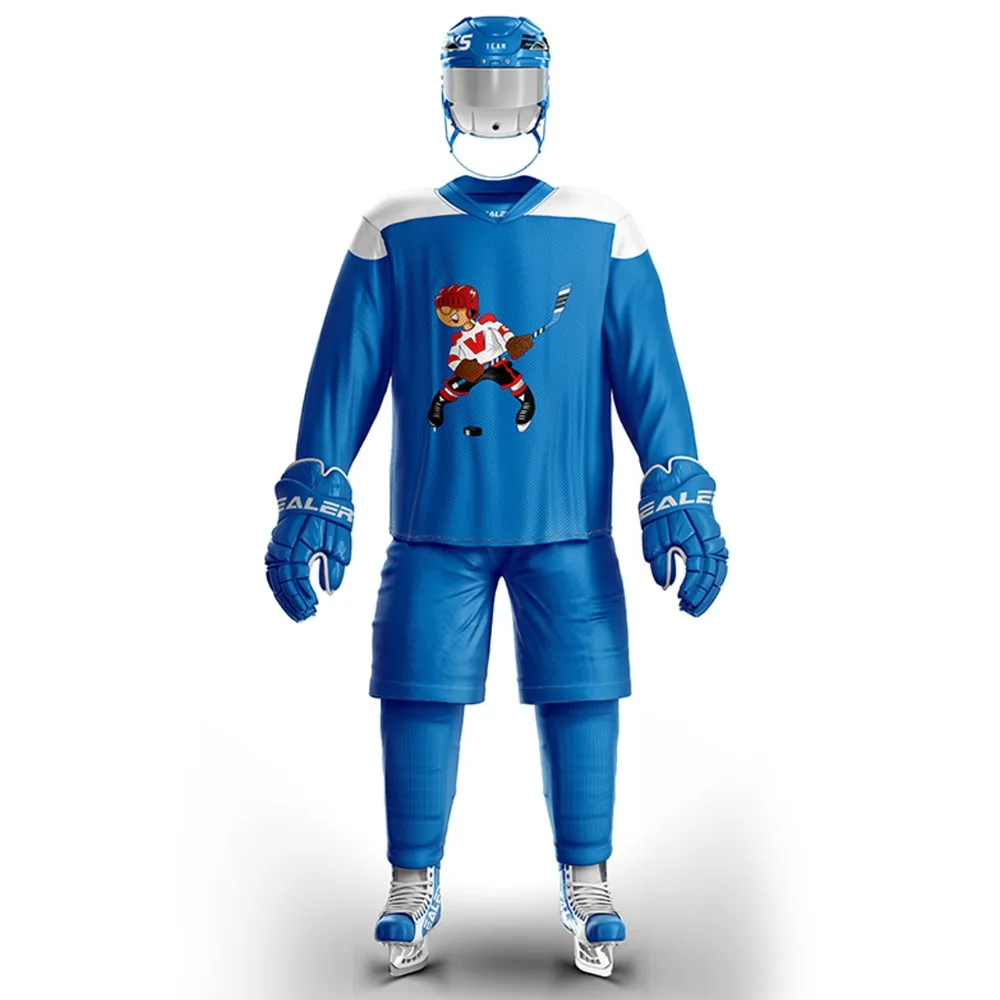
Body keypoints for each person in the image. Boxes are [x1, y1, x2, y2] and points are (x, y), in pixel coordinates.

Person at [264, 15, 728, 979]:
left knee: (583, 688)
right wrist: (317, 481)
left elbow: (648, 369)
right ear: (447, 97)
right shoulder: (394, 227)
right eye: (479, 92)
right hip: (436, 524)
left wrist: (675, 477)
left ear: (543, 98)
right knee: (418, 687)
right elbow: (347, 368)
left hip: (569, 522)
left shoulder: (604, 225)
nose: (495, 112)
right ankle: (411, 880)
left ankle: (589, 878)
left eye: (509, 93)